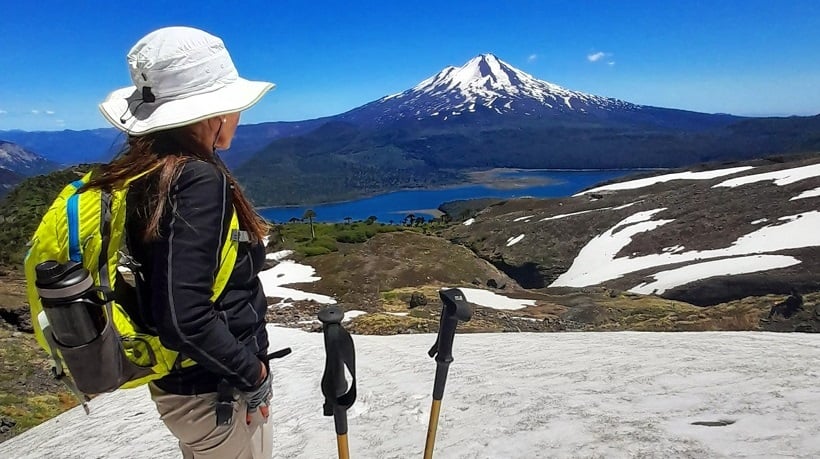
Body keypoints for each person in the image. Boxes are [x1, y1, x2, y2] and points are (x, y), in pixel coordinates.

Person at [92, 26, 276, 458]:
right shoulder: (195, 177)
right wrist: (253, 374)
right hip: (217, 391)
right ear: (210, 112)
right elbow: (183, 316)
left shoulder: (146, 170)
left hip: (185, 388)